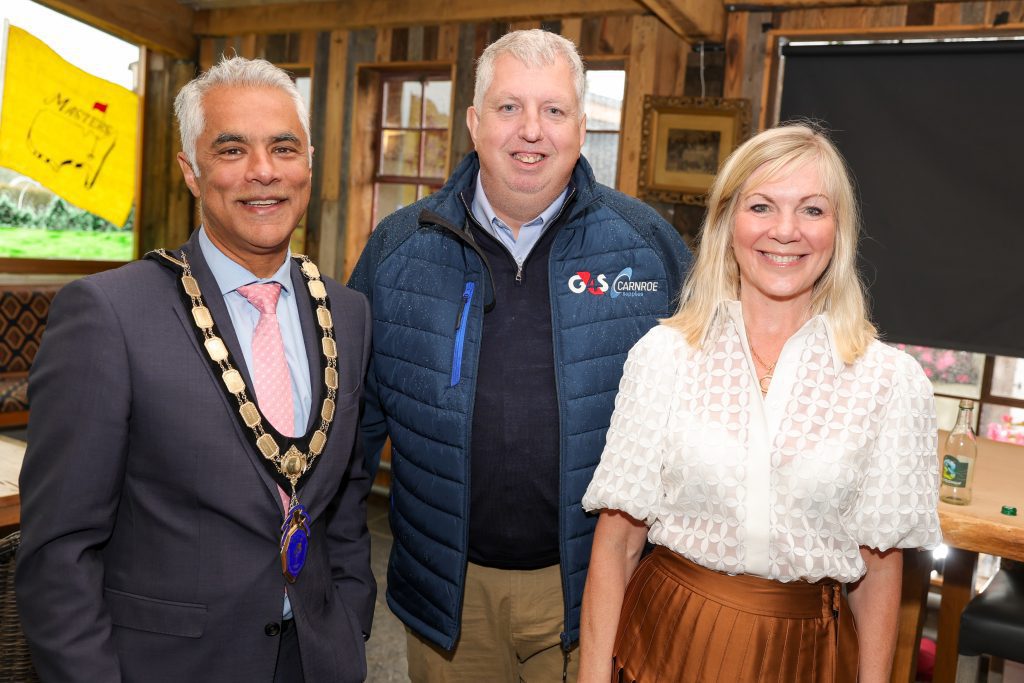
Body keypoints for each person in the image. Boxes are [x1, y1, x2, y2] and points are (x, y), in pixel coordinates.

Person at [16, 56, 375, 683]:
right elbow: (60, 551)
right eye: (232, 150)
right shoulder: (109, 315)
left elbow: (345, 502)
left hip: (315, 659)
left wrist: (349, 623)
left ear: (309, 162)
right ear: (191, 170)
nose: (264, 171)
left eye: (283, 147)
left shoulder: (347, 313)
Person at [349, 29, 690, 682]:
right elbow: (353, 433)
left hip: (594, 590)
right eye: (509, 107)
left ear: (581, 127)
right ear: (474, 123)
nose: (531, 130)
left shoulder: (649, 249)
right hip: (449, 597)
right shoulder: (397, 251)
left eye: (553, 110)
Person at [579, 123, 941, 683]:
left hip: (808, 656)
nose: (786, 231)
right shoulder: (663, 357)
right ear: (728, 223)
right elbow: (617, 545)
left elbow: (879, 572)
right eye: (762, 206)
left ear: (839, 231)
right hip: (663, 644)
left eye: (812, 210)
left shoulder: (890, 382)